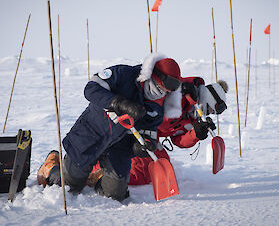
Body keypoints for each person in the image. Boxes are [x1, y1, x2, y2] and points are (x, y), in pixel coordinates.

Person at [37, 53, 181, 202]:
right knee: (68, 187)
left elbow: (148, 132)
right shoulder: (124, 74)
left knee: (115, 195)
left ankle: (96, 176)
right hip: (90, 134)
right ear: (151, 75)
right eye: (159, 87)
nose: (161, 93)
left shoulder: (158, 106)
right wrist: (118, 103)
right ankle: (51, 166)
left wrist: (141, 146)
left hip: (120, 148)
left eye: (166, 92)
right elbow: (91, 88)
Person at [129, 77, 228, 185]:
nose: (208, 114)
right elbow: (164, 79)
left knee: (162, 166)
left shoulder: (191, 116)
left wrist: (196, 133)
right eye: (210, 110)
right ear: (207, 101)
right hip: (135, 125)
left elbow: (178, 140)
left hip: (152, 135)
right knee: (140, 173)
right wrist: (181, 89)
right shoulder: (183, 89)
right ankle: (113, 176)